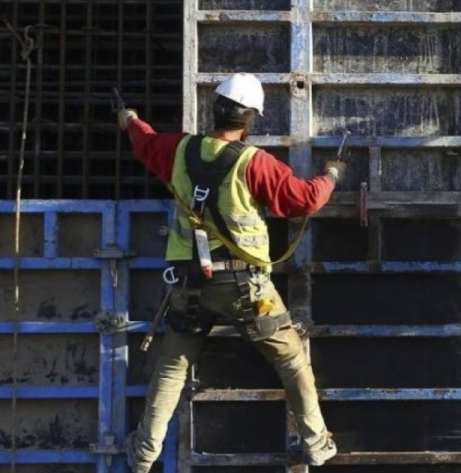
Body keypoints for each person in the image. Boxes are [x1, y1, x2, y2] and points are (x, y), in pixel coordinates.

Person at [117, 73, 345, 471]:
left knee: (171, 369)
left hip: (187, 286)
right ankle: (317, 444)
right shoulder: (254, 163)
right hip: (245, 288)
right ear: (250, 118)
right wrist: (332, 174)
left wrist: (129, 118)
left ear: (215, 109)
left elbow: (143, 141)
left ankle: (143, 455)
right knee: (291, 361)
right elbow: (305, 200)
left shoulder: (178, 149)